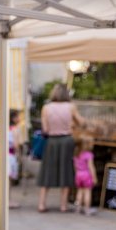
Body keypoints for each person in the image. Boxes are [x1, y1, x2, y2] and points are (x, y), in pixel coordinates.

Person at [37, 83, 82, 213]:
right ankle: (63, 206)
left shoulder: (46, 108)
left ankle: (41, 204)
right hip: (67, 141)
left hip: (51, 141)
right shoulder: (71, 107)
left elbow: (45, 129)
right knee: (66, 171)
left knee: (47, 171)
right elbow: (81, 122)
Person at [73, 135, 97, 215]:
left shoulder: (76, 154)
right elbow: (91, 167)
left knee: (79, 191)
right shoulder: (88, 155)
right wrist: (94, 177)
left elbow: (75, 166)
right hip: (86, 175)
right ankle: (87, 209)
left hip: (78, 174)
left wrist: (76, 174)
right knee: (87, 192)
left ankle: (78, 209)